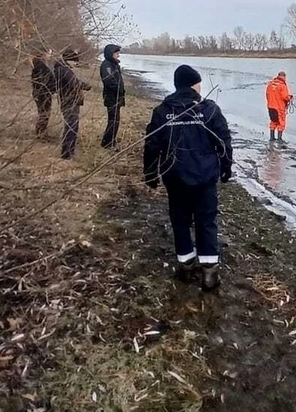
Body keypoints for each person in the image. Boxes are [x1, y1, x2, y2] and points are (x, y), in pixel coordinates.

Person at [143, 65, 232, 291]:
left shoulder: (162, 112)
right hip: (204, 178)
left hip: (176, 177)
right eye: (198, 83)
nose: (200, 87)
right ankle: (209, 271)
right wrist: (225, 167)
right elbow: (224, 141)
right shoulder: (209, 110)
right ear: (193, 84)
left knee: (180, 220)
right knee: (206, 220)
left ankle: (186, 264)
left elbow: (153, 145)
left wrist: (151, 173)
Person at [54, 48, 91, 160]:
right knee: (71, 126)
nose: (76, 63)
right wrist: (85, 86)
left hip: (69, 100)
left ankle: (69, 151)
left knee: (72, 126)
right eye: (75, 61)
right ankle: (67, 153)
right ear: (69, 60)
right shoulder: (64, 70)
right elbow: (73, 82)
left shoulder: (62, 69)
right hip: (69, 101)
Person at [99, 44, 125, 148]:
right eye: (116, 53)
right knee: (113, 120)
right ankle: (107, 143)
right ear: (111, 53)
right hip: (111, 97)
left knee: (115, 120)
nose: (118, 55)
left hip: (116, 97)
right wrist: (118, 90)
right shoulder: (107, 65)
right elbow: (108, 81)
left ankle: (110, 141)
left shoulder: (113, 64)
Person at [30, 53, 55, 138]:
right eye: (49, 53)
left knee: (43, 113)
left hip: (42, 93)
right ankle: (40, 133)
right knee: (44, 113)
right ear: (43, 55)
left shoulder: (40, 65)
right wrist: (52, 87)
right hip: (43, 94)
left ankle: (42, 131)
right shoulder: (40, 67)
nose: (50, 56)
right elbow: (43, 81)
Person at [265, 71, 293, 142]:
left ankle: (272, 138)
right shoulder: (282, 85)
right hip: (279, 107)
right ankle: (279, 139)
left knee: (273, 121)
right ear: (284, 77)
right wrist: (290, 98)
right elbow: (285, 96)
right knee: (281, 123)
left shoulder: (270, 84)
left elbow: (267, 94)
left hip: (270, 106)